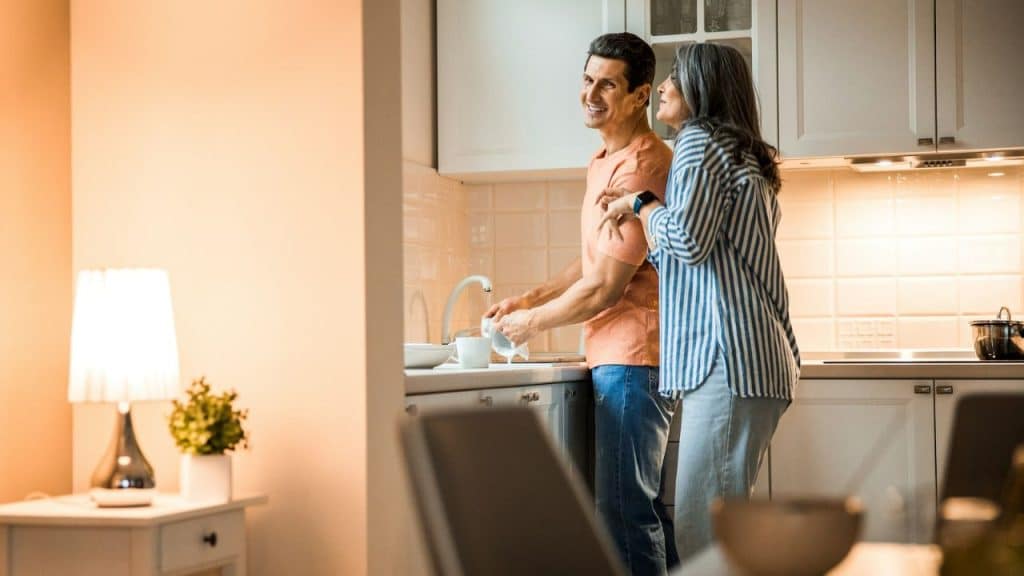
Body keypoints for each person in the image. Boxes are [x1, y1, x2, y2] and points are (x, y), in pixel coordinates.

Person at [597, 42, 801, 562]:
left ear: (700, 91)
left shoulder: (696, 142)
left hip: (727, 357)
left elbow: (685, 241)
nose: (662, 88)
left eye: (674, 79)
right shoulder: (740, 155)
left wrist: (642, 203)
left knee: (703, 537)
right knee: (721, 533)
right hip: (752, 359)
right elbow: (696, 256)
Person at [489, 33, 678, 575]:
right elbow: (597, 258)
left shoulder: (644, 165)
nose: (591, 93)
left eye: (608, 84)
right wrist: (531, 296)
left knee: (624, 513)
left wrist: (530, 323)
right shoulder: (603, 159)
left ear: (641, 94)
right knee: (637, 510)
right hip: (611, 356)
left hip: (634, 359)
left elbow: (606, 288)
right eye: (587, 79)